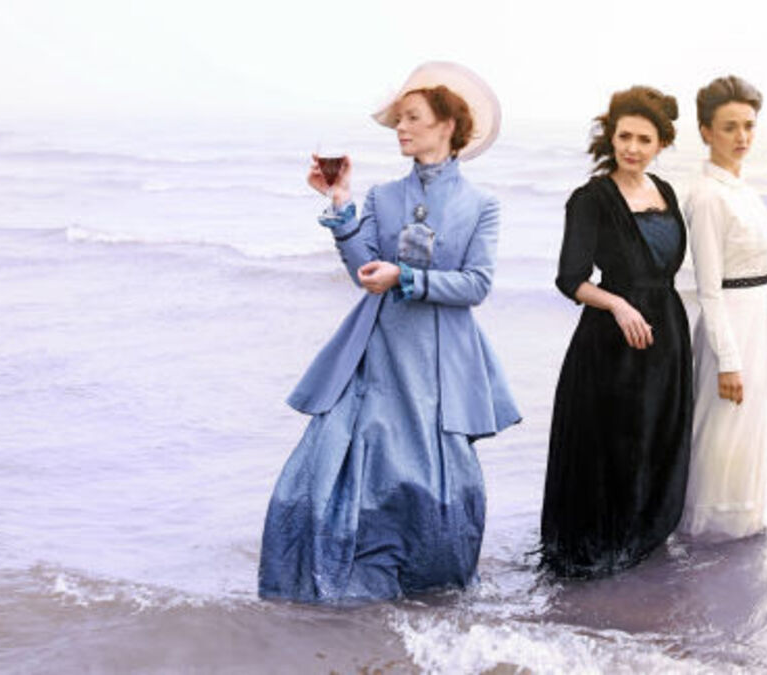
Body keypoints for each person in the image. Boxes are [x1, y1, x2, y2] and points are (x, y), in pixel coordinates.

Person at [257, 62, 520, 603]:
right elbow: (364, 271)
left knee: (429, 472)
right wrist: (340, 201)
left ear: (448, 125)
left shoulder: (481, 205)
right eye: (399, 119)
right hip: (377, 347)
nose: (401, 128)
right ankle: (332, 588)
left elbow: (476, 284)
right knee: (337, 460)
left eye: (412, 117)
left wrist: (408, 278)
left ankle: (425, 591)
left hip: (439, 358)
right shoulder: (382, 196)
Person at [539, 86, 693, 578]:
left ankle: (643, 548)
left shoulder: (665, 191)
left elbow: (666, 268)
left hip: (665, 333)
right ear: (611, 137)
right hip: (611, 343)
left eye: (644, 139)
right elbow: (570, 279)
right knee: (613, 446)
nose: (632, 148)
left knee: (657, 439)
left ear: (661, 144)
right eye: (624, 136)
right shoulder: (591, 199)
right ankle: (600, 560)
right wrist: (619, 304)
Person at [678, 75, 767, 542]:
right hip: (730, 325)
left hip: (758, 320)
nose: (742, 137)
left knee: (753, 425)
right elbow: (709, 290)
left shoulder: (745, 190)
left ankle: (747, 520)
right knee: (722, 431)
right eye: (729, 127)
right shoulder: (707, 196)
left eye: (749, 126)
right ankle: (711, 532)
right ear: (706, 131)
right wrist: (728, 360)